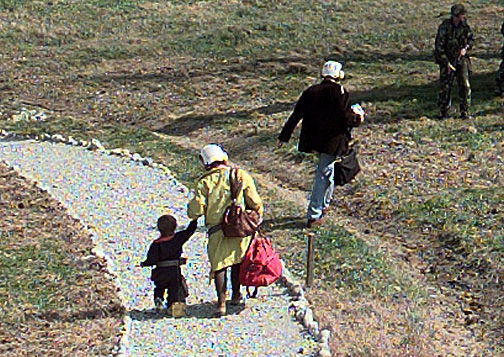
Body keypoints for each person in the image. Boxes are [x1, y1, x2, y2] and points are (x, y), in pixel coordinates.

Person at [279, 60, 364, 229]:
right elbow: (344, 118)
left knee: (328, 172)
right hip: (331, 142)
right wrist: (358, 118)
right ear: (339, 75)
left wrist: (284, 136)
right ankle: (314, 214)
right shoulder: (340, 92)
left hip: (313, 140)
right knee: (323, 175)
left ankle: (324, 204)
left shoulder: (311, 91)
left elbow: (296, 115)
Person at [187, 144, 263, 316]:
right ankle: (236, 295)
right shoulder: (240, 175)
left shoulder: (205, 182)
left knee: (219, 265)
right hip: (240, 228)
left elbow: (196, 210)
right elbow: (255, 201)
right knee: (237, 260)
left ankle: (221, 303)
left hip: (217, 230)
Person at [140, 213, 198, 317]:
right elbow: (189, 231)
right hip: (174, 271)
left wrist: (145, 263)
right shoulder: (177, 239)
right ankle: (173, 305)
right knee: (174, 289)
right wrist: (195, 219)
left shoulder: (156, 244)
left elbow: (151, 260)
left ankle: (159, 299)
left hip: (160, 271)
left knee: (159, 287)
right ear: (175, 227)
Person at [434, 3, 474, 123]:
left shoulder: (464, 26)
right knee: (445, 87)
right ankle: (444, 112)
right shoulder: (445, 27)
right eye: (461, 15)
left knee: (465, 85)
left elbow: (471, 39)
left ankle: (465, 111)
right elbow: (439, 46)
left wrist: (465, 49)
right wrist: (446, 62)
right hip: (447, 59)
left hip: (461, 59)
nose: (463, 18)